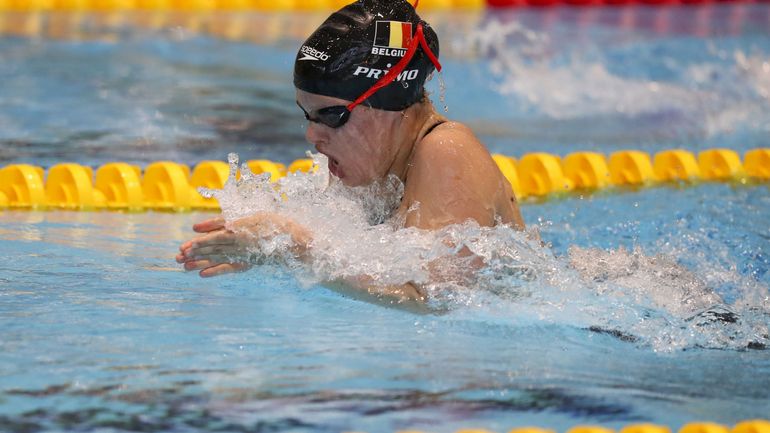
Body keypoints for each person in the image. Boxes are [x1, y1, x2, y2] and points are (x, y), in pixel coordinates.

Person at [176, 0, 525, 304]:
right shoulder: (372, 169)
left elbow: (435, 300)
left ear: (388, 103)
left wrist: (298, 248)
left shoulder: (446, 149)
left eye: (332, 116)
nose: (313, 135)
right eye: (307, 116)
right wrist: (272, 251)